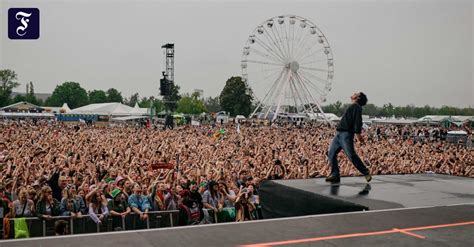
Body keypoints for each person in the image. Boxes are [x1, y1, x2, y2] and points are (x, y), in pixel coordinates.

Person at [326, 92, 372, 183]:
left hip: (345, 134)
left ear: (358, 97)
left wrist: (358, 135)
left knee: (351, 155)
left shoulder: (356, 107)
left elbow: (358, 122)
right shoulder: (353, 106)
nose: (353, 93)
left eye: (356, 93)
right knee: (330, 153)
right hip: (339, 133)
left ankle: (366, 172)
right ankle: (335, 174)